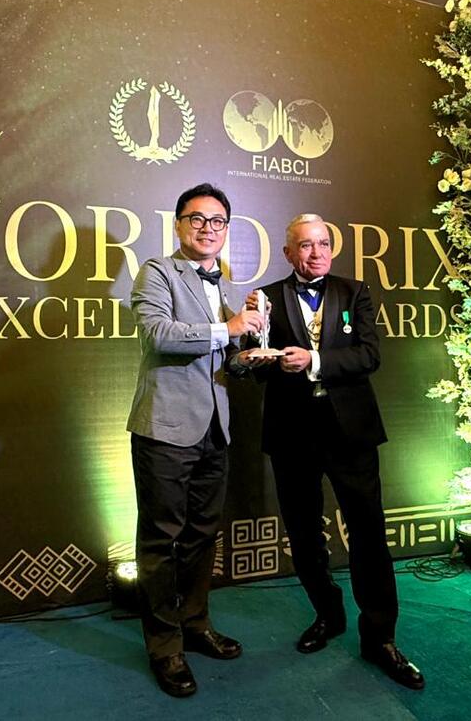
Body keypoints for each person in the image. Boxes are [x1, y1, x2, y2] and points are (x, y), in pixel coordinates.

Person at [252, 213, 425, 690]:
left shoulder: (355, 292)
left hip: (351, 433)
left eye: (324, 243)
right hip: (292, 435)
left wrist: (315, 360)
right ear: (288, 253)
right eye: (306, 245)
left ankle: (380, 638)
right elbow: (255, 368)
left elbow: (369, 355)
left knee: (368, 534)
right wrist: (256, 340)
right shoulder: (265, 297)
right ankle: (328, 614)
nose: (317, 252)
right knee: (304, 536)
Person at [126, 183, 268, 698]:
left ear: (227, 230)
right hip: (165, 429)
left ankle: (195, 623)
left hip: (215, 429)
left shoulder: (225, 287)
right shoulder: (157, 272)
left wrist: (249, 352)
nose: (208, 229)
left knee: (203, 535)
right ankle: (165, 647)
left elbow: (224, 361)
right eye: (197, 219)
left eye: (218, 221)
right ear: (179, 225)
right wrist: (229, 327)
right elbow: (158, 334)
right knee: (161, 541)